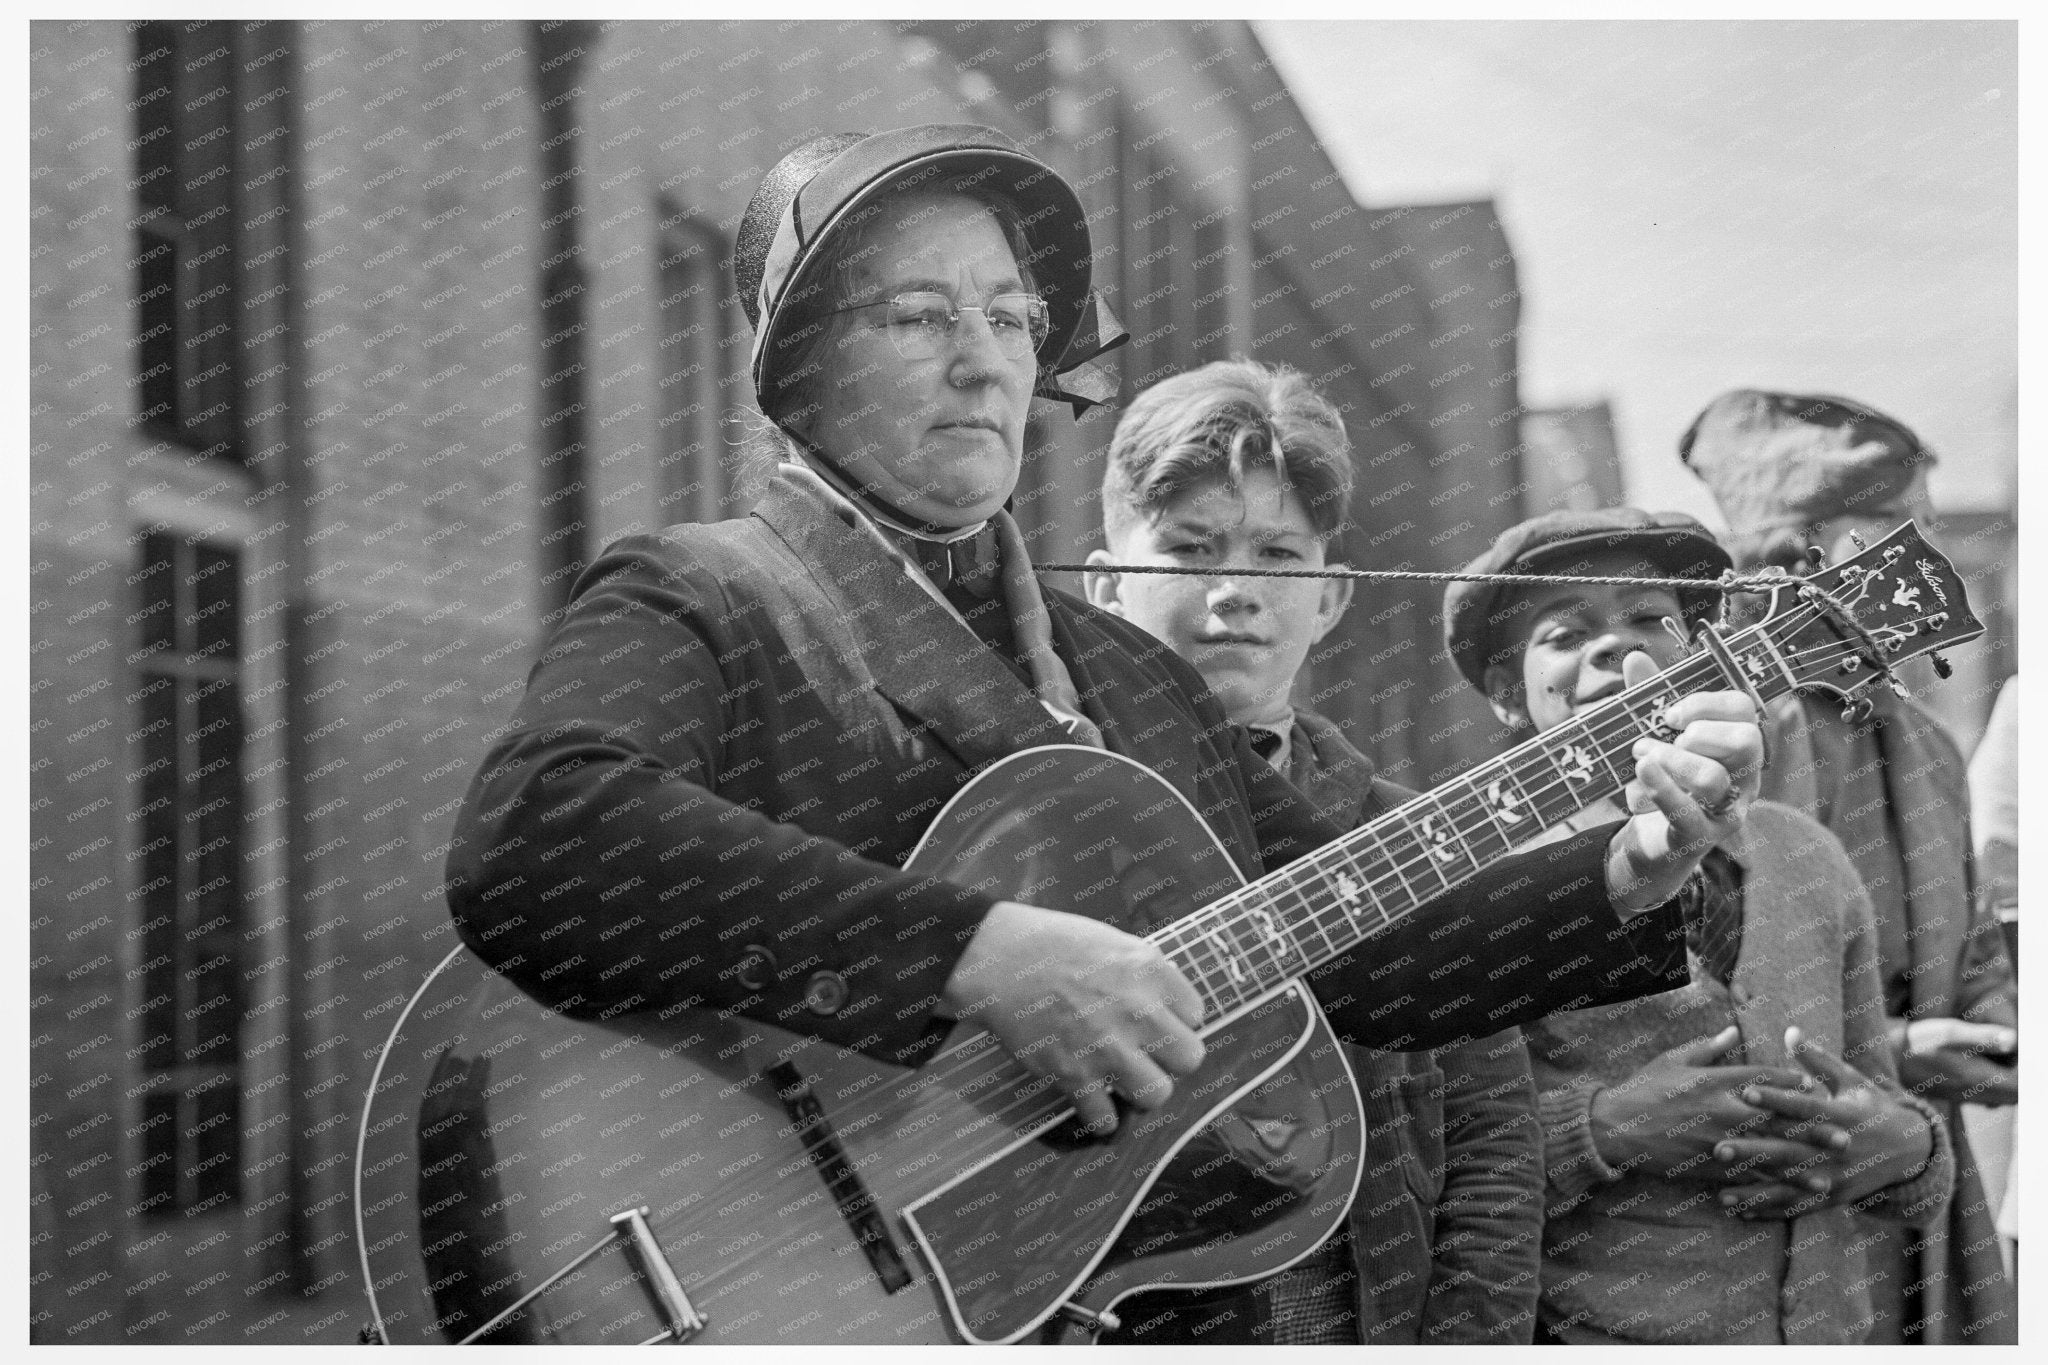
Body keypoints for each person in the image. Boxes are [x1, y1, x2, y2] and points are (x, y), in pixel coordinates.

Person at [443, 124, 1765, 1345]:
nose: (985, 356)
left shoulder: (1124, 674)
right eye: (921, 315)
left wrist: (1625, 873)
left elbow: (1359, 938)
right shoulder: (708, 592)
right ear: (801, 368)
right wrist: (974, 955)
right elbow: (539, 835)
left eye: (1012, 315)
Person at [1084, 357, 1547, 1343]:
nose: (1234, 593)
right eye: (1191, 549)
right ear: (1105, 582)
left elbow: (1491, 1144)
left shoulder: (1414, 836)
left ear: (1330, 596)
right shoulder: (1034, 796)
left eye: (1277, 558)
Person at [1443, 507, 1956, 1343]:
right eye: (1566, 633)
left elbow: (1890, 1117)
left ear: (1703, 655)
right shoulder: (1476, 883)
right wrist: (1607, 1126)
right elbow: (1429, 1167)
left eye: (1651, 619)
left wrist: (1904, 1147)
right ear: (1508, 694)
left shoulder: (1810, 857)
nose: (1614, 647)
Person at [1681, 389, 2017, 1342]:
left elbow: (1975, 935)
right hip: (1784, 1166)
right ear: (1806, 562)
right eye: (1900, 539)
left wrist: (1995, 1022)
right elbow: (1718, 982)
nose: (1933, 569)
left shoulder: (1926, 741)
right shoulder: (1734, 732)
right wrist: (1903, 1047)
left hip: (1918, 1166)